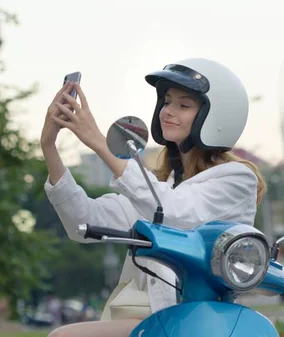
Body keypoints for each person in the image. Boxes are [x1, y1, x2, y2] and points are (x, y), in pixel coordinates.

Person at [41, 58, 267, 337]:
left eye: (183, 105)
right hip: (151, 316)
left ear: (216, 116)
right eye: (167, 101)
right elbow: (84, 222)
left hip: (197, 318)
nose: (168, 111)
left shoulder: (235, 179)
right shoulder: (160, 184)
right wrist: (49, 147)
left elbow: (173, 213)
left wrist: (98, 141)